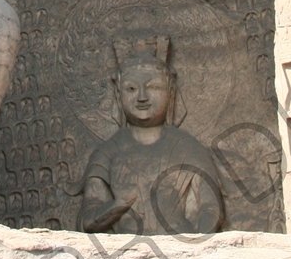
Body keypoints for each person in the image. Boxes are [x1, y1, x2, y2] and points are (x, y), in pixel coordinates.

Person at [79, 37, 225, 235]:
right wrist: (119, 203)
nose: (142, 97)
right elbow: (87, 221)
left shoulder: (188, 149)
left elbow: (211, 209)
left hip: (182, 249)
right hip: (124, 251)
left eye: (153, 87)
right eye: (131, 88)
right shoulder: (107, 153)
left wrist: (196, 246)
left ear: (170, 92)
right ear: (117, 94)